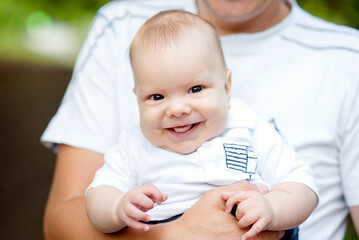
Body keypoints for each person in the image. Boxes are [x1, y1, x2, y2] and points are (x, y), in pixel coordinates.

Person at [41, 0, 359, 240]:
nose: (177, 109)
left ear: (227, 87)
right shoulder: (133, 145)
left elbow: (301, 186)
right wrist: (117, 207)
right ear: (136, 97)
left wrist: (272, 208)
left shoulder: (249, 128)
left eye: (195, 89)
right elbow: (94, 198)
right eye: (156, 97)